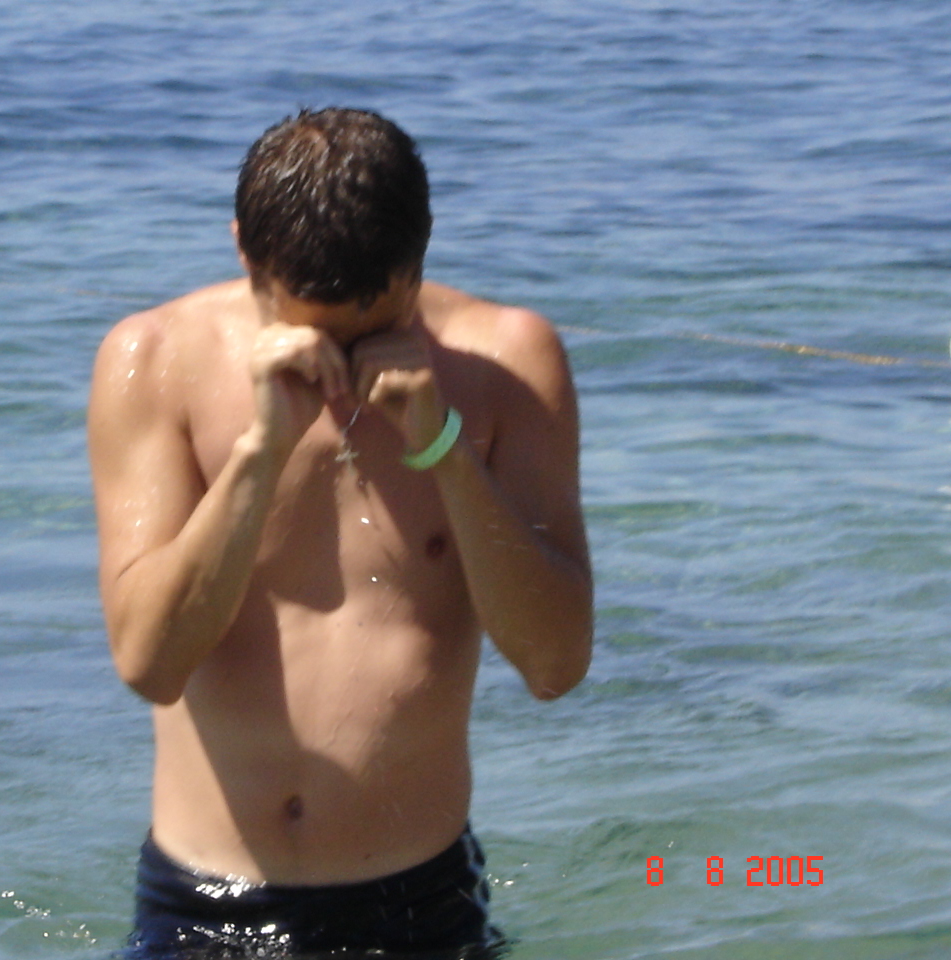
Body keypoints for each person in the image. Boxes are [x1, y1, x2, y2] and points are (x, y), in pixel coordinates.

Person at [87, 107, 592, 956]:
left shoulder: (508, 363)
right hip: (203, 900)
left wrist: (444, 448)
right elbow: (150, 662)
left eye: (374, 332)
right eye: (313, 334)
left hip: (419, 902)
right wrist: (260, 454)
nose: (343, 374)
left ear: (418, 259)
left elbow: (555, 664)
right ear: (246, 253)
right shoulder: (154, 359)